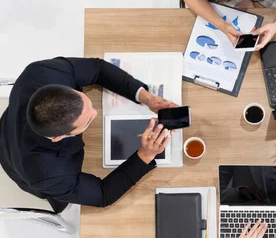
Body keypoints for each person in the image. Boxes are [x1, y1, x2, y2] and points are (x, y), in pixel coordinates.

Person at [0, 57, 176, 213]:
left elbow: (97, 69)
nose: (95, 113)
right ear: (58, 138)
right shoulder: (49, 175)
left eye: (87, 103)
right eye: (88, 121)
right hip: (15, 160)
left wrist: (147, 98)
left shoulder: (42, 72)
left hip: (12, 119)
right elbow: (103, 194)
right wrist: (145, 155)